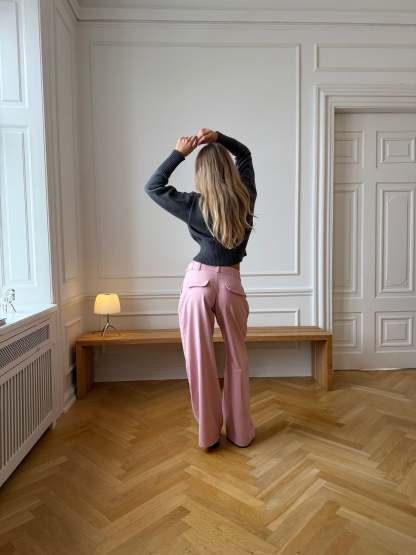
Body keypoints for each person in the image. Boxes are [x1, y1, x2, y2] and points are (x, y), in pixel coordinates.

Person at [144, 128, 257, 450]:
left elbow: (153, 186)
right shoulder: (246, 196)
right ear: (229, 169)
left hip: (197, 282)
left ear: (201, 175)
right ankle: (240, 434)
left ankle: (208, 435)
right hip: (230, 283)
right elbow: (245, 153)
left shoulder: (193, 205)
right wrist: (218, 137)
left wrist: (179, 153)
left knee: (199, 358)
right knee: (237, 357)